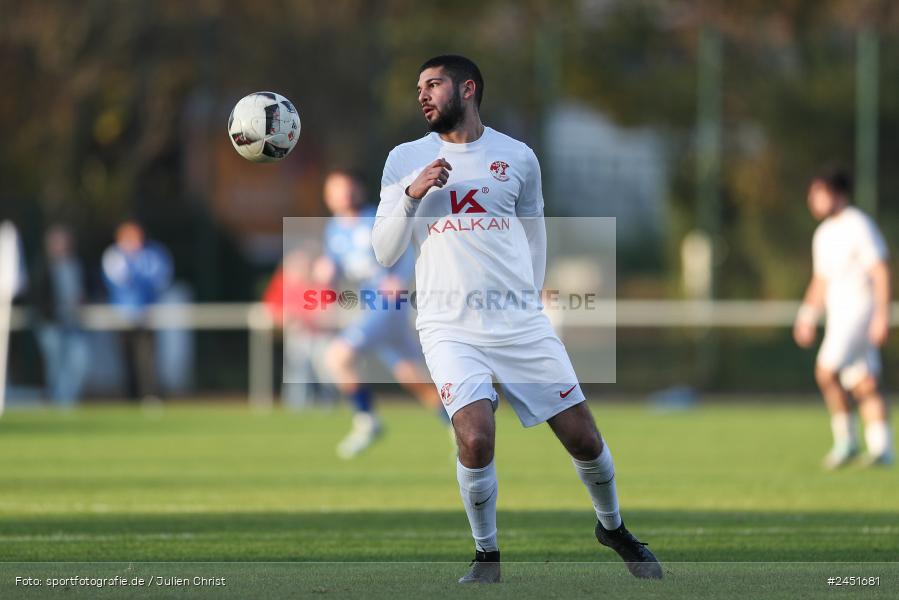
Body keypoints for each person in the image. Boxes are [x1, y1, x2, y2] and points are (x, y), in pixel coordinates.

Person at [371, 55, 661, 583]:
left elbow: (534, 237)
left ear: (468, 89)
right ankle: (487, 556)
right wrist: (414, 193)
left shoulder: (518, 157)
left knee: (584, 440)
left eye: (433, 85)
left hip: (520, 324)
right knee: (476, 437)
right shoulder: (403, 160)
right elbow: (385, 251)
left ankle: (612, 527)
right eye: (420, 87)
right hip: (448, 327)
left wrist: (529, 301)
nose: (423, 95)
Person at [317, 169, 447, 459]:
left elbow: (407, 246)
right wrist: (326, 275)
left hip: (387, 304)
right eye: (336, 189)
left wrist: (399, 278)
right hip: (372, 304)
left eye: (347, 187)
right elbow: (335, 268)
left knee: (336, 357)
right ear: (328, 197)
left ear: (357, 190)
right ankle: (457, 426)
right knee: (412, 376)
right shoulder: (334, 230)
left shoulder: (375, 217)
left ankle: (367, 421)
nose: (343, 194)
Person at [794, 166, 893, 469]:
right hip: (838, 318)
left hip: (859, 314)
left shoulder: (858, 225)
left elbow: (881, 271)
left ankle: (846, 440)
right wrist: (807, 314)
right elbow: (821, 280)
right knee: (865, 384)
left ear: (836, 194)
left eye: (818, 193)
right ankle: (882, 449)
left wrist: (881, 316)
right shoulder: (823, 234)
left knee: (825, 372)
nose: (813, 200)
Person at [101, 220, 173, 402]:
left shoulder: (153, 253)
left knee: (147, 356)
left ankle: (150, 395)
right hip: (123, 317)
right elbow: (121, 284)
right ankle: (131, 397)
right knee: (127, 358)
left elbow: (160, 280)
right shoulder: (114, 256)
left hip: (148, 314)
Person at [31, 225, 89, 407]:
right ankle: (58, 403)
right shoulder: (42, 267)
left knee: (80, 361)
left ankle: (67, 401)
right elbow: (37, 297)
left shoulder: (77, 265)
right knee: (55, 366)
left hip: (73, 324)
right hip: (51, 325)